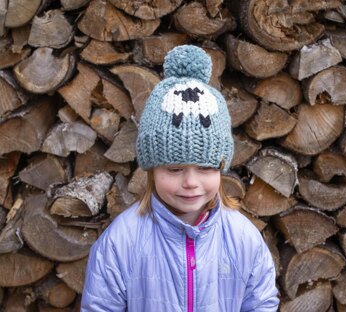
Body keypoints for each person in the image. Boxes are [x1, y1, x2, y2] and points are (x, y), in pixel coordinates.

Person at [81, 45, 279, 311]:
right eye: (174, 169)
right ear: (152, 169)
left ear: (220, 168)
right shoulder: (122, 240)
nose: (191, 182)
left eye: (206, 168)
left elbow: (261, 304)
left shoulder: (243, 238)